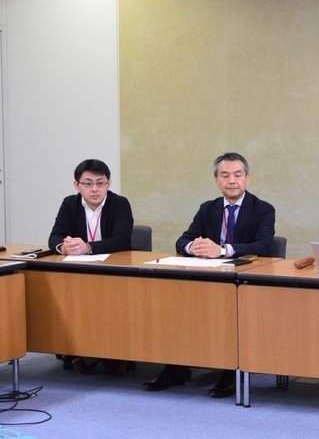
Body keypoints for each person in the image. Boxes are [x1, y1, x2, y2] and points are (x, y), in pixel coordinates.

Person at [143, 152, 276, 398]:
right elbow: (182, 240)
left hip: (243, 280)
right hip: (208, 280)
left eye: (237, 175)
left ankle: (231, 370)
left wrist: (223, 250)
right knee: (177, 306)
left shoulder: (263, 209)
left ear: (247, 178)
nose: (232, 181)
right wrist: (192, 247)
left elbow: (265, 245)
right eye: (225, 175)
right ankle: (176, 366)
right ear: (216, 180)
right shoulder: (208, 208)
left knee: (228, 311)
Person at [48, 158, 134, 375]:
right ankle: (78, 347)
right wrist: (63, 247)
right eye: (87, 183)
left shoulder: (120, 204)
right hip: (78, 272)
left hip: (113, 272)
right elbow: (55, 236)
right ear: (76, 185)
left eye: (100, 183)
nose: (94, 189)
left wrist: (88, 247)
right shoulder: (69, 204)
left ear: (109, 184)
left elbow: (123, 239)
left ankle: (109, 351)